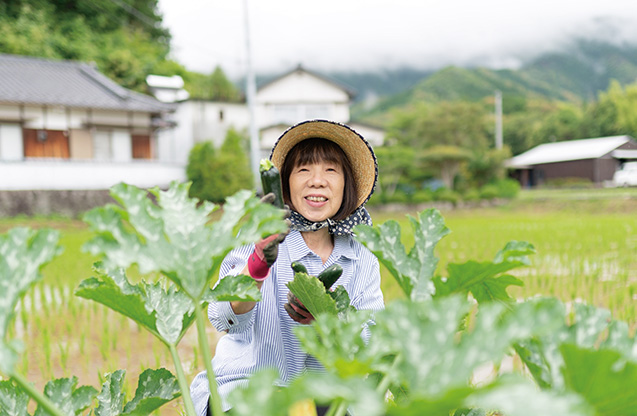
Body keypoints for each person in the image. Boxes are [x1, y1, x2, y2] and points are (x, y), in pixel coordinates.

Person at [190, 119, 384, 415]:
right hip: (249, 388)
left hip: (328, 395)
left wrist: (327, 319)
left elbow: (372, 338)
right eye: (303, 169)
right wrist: (257, 265)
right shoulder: (259, 237)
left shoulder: (362, 256)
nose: (317, 180)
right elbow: (222, 315)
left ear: (347, 184)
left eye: (331, 170)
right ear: (285, 184)